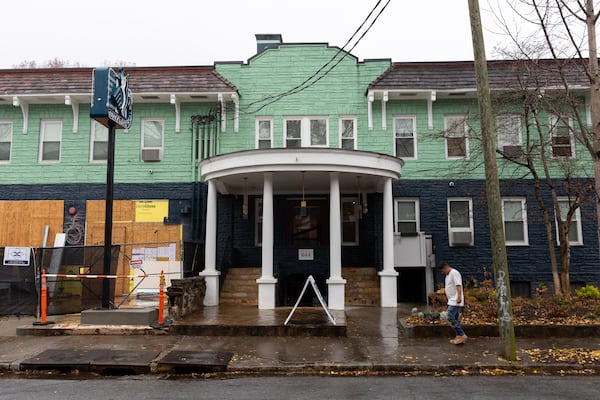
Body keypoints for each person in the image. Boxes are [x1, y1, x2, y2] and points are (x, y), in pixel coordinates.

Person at [439, 262, 467, 345]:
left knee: (449, 316)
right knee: (455, 318)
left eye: (442, 271)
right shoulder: (448, 275)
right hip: (451, 300)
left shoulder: (454, 273)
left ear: (445, 268)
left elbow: (458, 285)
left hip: (455, 300)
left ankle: (461, 334)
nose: (442, 273)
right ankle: (459, 336)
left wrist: (459, 297)